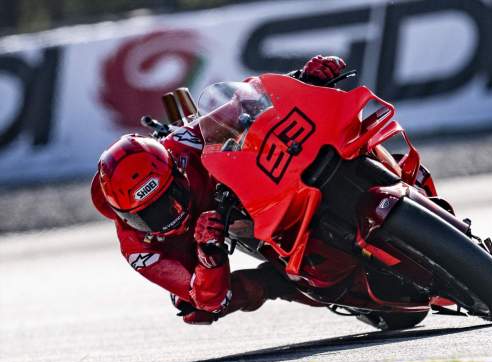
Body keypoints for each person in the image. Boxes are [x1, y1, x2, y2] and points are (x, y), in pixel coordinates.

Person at [91, 55, 347, 325]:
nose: (171, 216)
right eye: (149, 216)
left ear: (177, 169)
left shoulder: (182, 144)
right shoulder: (138, 248)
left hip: (238, 188)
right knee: (196, 308)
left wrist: (304, 79)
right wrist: (208, 253)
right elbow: (208, 297)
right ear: (123, 216)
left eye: (172, 199)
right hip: (199, 244)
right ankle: (276, 282)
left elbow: (244, 104)